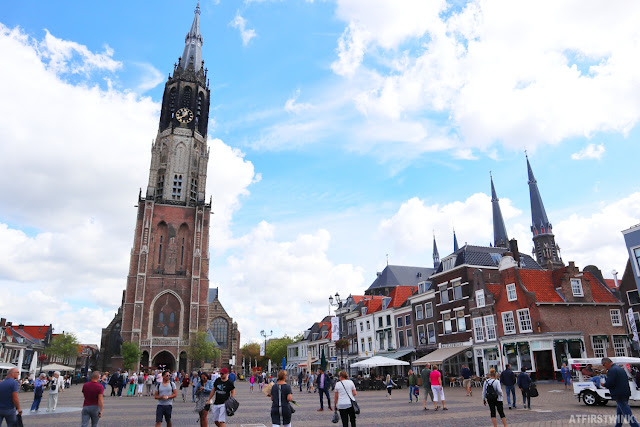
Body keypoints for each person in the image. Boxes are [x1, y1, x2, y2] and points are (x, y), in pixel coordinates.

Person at [602, 357, 640, 427]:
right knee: (620, 412)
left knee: (627, 413)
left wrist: (604, 384)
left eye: (604, 365)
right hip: (625, 392)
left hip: (619, 394)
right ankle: (618, 425)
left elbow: (610, 383)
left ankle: (635, 426)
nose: (604, 367)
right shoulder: (620, 369)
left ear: (606, 363)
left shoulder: (612, 370)